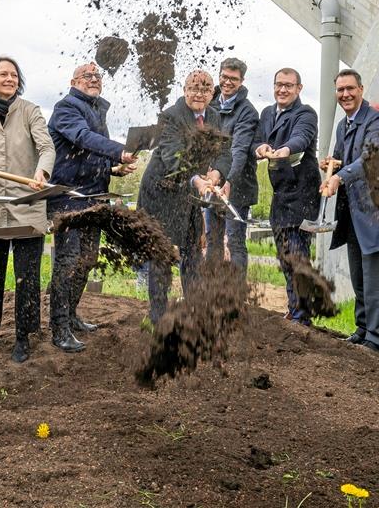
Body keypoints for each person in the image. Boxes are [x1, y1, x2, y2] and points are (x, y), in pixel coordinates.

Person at [46, 62, 136, 352]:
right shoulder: (66, 107)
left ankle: (71, 316)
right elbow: (83, 138)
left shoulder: (98, 109)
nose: (94, 79)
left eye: (98, 75)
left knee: (87, 258)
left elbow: (92, 152)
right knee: (68, 260)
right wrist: (118, 151)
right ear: (73, 81)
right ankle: (59, 328)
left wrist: (112, 167)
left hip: (93, 197)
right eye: (88, 75)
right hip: (68, 197)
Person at [0, 55, 55, 364]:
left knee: (26, 276)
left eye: (14, 75)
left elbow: (46, 147)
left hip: (27, 206)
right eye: (2, 74)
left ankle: (23, 336)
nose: (9, 79)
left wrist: (42, 173)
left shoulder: (30, 111)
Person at [320, 69, 379, 353]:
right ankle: (362, 327)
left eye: (350, 89)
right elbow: (345, 158)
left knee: (374, 277)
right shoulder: (344, 125)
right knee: (358, 274)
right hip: (354, 212)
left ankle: (376, 338)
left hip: (377, 211)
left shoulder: (376, 120)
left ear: (361, 89)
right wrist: (332, 164)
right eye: (340, 89)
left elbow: (370, 158)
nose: (345, 94)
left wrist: (339, 176)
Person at [140, 70, 232, 325]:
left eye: (205, 89)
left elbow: (225, 151)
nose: (199, 94)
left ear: (212, 93)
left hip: (191, 191)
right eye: (194, 88)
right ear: (184, 90)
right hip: (162, 189)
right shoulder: (170, 116)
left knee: (193, 249)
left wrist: (216, 173)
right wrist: (197, 179)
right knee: (162, 253)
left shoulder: (214, 116)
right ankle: (158, 317)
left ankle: (194, 312)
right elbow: (173, 156)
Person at [252, 68, 320, 325]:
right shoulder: (268, 113)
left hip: (303, 195)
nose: (282, 89)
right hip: (280, 194)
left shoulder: (305, 113)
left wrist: (284, 150)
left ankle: (302, 316)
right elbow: (256, 141)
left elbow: (301, 138)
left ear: (299, 88)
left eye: (288, 85)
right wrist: (260, 147)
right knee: (285, 256)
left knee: (298, 255)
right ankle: (294, 309)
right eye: (279, 84)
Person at [206, 57, 259, 277]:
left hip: (236, 184)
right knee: (212, 239)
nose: (228, 82)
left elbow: (238, 150)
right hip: (211, 181)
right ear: (219, 76)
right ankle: (211, 293)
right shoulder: (210, 103)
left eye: (234, 79)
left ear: (242, 81)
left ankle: (236, 297)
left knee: (234, 240)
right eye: (225, 77)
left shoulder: (247, 112)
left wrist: (229, 179)